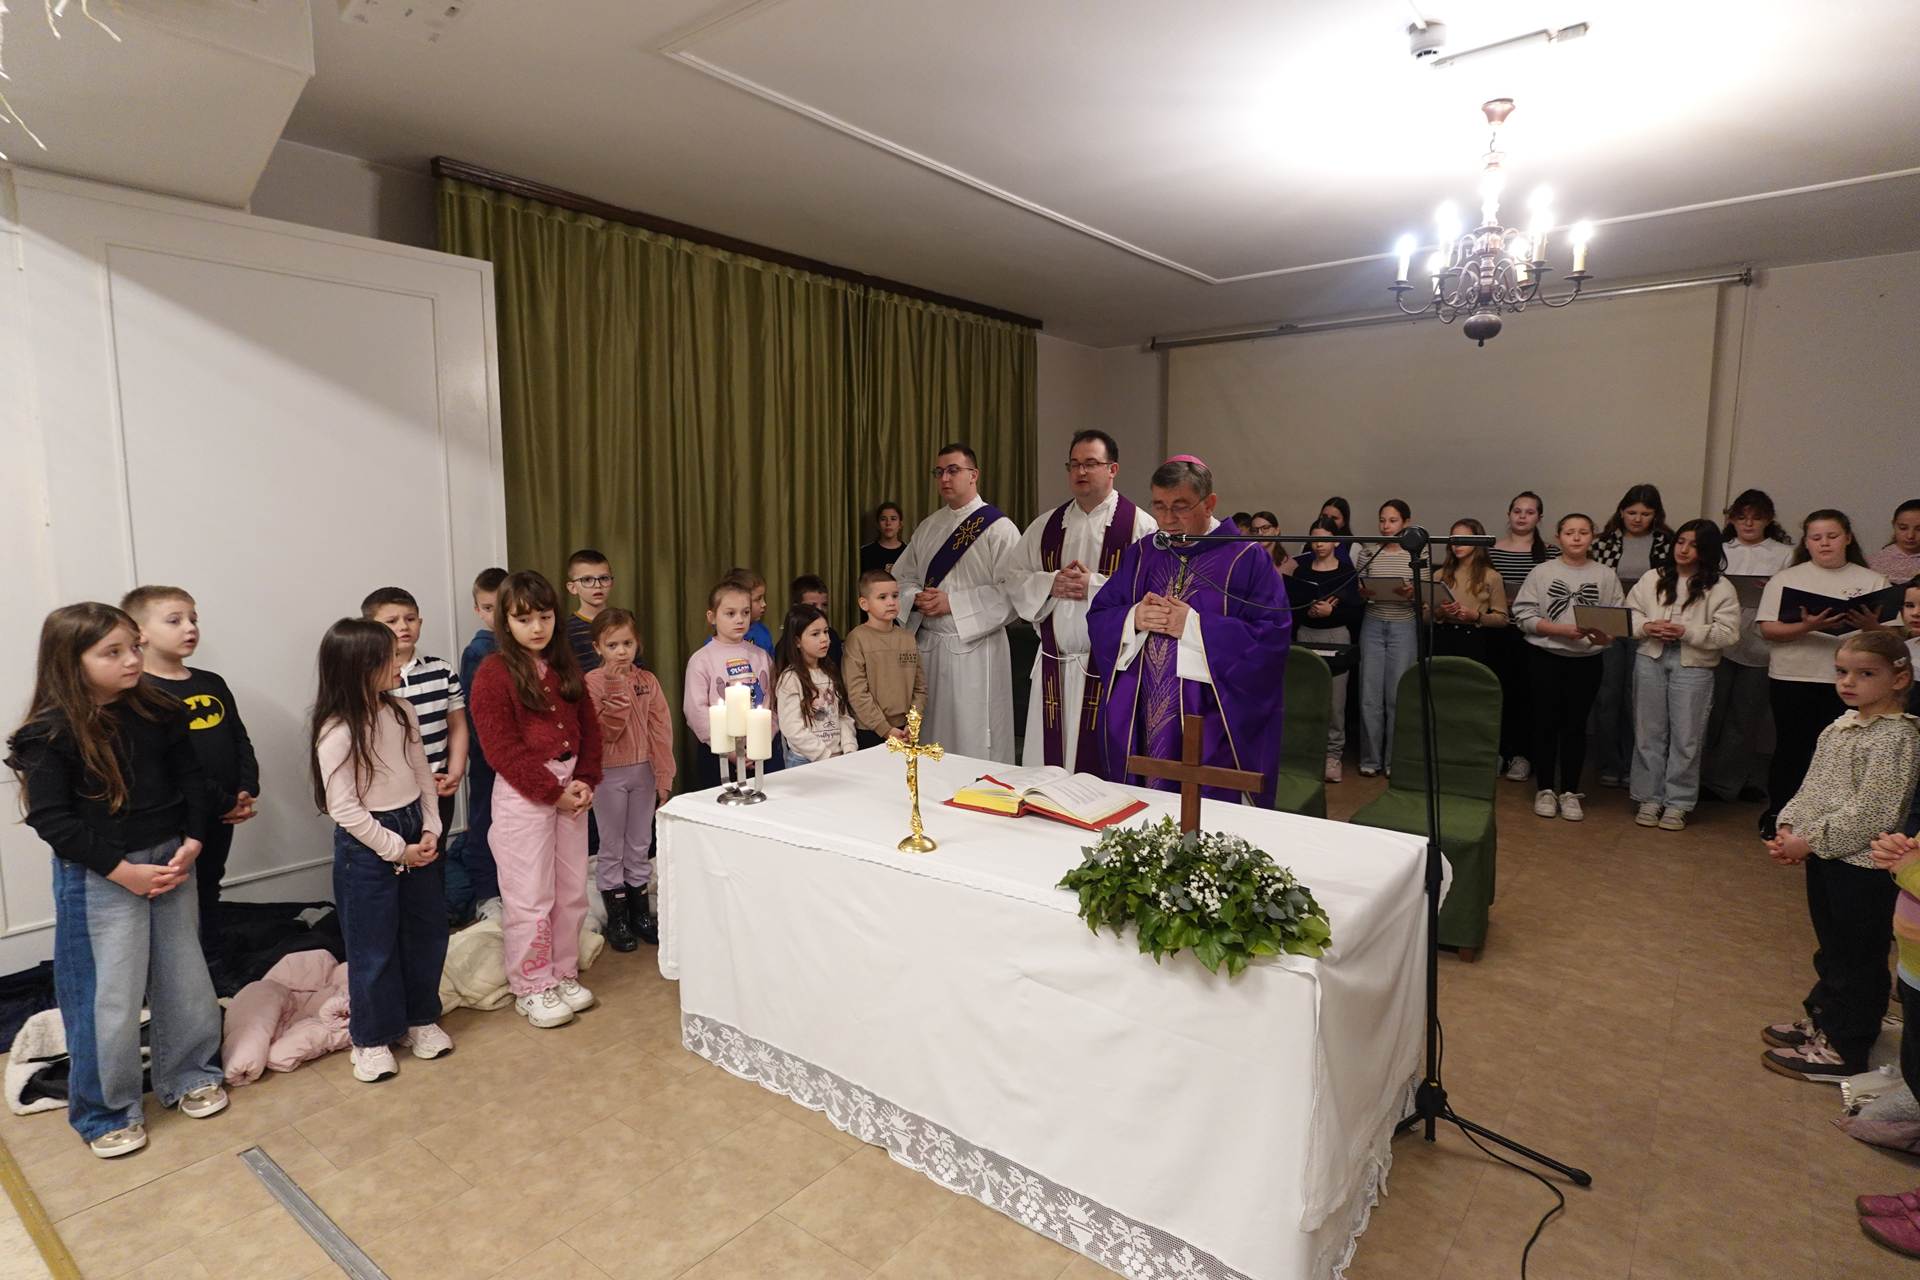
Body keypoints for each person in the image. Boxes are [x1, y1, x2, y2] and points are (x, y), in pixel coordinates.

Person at [4, 604, 227, 1158]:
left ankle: (190, 1073)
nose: (132, 660)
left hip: (171, 859)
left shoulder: (159, 710)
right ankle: (105, 1111)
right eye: (113, 652)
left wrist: (193, 840)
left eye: (133, 647)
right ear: (71, 661)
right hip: (101, 874)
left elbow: (191, 780)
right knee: (109, 996)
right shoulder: (48, 734)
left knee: (184, 977)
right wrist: (122, 871)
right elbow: (53, 820)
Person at [1760, 630, 1918, 1083]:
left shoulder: (1896, 738)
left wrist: (1809, 841)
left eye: (1865, 674)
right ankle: (1824, 1018)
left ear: (1898, 679)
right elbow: (1813, 787)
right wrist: (1789, 827)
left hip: (1863, 868)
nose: (1848, 682)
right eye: (1842, 672)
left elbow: (1873, 812)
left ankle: (1845, 1046)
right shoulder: (1841, 726)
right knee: (1832, 947)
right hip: (1828, 857)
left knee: (1857, 957)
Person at [1088, 456, 1291, 804]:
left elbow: (1272, 637)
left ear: (1209, 503)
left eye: (1180, 507)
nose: (1167, 519)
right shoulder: (1143, 553)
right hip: (1144, 714)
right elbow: (1101, 614)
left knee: (1203, 815)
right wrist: (1134, 618)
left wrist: (1196, 627)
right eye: (1159, 506)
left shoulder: (1247, 558)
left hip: (1210, 723)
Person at [309, 617, 451, 1083]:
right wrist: (397, 850)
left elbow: (423, 773)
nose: (398, 664)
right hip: (369, 844)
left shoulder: (401, 710)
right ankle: (370, 1038)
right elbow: (345, 809)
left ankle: (419, 1018)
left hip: (413, 826)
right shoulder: (337, 730)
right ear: (359, 666)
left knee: (426, 932)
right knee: (373, 945)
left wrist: (430, 828)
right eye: (388, 658)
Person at [468, 571, 603, 1031]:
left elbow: (589, 728)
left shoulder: (565, 665)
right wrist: (553, 792)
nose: (537, 627)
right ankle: (531, 984)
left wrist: (585, 779)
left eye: (544, 616)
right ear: (506, 622)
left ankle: (562, 971)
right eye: (524, 619)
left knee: (571, 889)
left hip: (571, 787)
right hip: (526, 793)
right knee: (529, 895)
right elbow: (501, 749)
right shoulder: (493, 673)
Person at [1005, 430, 1155, 771]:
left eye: (1090, 463)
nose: (1081, 472)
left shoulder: (1140, 527)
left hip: (1110, 670)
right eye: (1074, 464)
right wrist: (1050, 583)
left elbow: (1151, 592)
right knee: (1045, 769)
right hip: (1053, 665)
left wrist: (1094, 585)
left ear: (1113, 469)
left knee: (1100, 771)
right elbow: (1013, 578)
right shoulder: (1046, 525)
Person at [120, 585, 259, 949]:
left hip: (225, 809)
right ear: (140, 633)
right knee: (176, 891)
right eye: (174, 620)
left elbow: (238, 738)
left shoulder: (211, 682)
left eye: (193, 619)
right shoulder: (139, 693)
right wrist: (223, 801)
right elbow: (169, 765)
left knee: (210, 880)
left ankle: (211, 956)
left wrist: (246, 789)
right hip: (180, 812)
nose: (190, 628)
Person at [1756, 509, 1892, 836]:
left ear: (1848, 538)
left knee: (1841, 754)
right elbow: (1768, 629)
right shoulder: (1786, 579)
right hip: (1794, 676)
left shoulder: (1872, 580)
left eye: (1832, 536)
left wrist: (1870, 625)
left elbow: (1894, 637)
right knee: (1792, 748)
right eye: (1816, 538)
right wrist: (1807, 626)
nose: (1824, 543)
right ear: (1806, 542)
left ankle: (1828, 823)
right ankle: (1780, 815)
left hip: (1852, 682)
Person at [891, 442, 1021, 762]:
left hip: (976, 651)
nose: (945, 478)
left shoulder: (999, 529)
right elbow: (902, 578)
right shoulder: (929, 526)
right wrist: (915, 598)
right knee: (931, 735)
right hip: (929, 648)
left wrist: (953, 604)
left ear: (973, 475)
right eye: (939, 472)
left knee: (972, 736)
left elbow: (1014, 592)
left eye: (953, 470)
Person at [1625, 519, 1741, 831]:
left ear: (1708, 550)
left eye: (1694, 545)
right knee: (1648, 732)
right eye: (1680, 542)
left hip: (1694, 664)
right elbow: (1630, 613)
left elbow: (1729, 634)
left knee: (1687, 736)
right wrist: (1647, 627)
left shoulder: (1720, 586)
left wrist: (1686, 632)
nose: (1684, 550)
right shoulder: (1653, 577)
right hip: (1650, 657)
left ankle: (1678, 803)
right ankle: (1648, 797)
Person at [1511, 513, 1624, 821]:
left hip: (1586, 662)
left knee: (1576, 726)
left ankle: (1570, 791)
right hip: (1545, 658)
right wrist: (1559, 630)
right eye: (1570, 532)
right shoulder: (1542, 572)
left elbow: (1616, 618)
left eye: (1583, 532)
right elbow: (1523, 614)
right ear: (1558, 537)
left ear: (1592, 537)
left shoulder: (1605, 575)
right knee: (1545, 723)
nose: (1576, 537)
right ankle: (1545, 788)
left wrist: (1605, 636)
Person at [584, 608, 672, 951]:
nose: (621, 651)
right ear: (597, 647)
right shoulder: (592, 683)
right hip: (608, 776)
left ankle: (640, 913)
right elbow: (606, 731)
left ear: (637, 644)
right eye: (612, 645)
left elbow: (660, 729)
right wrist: (614, 689)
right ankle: (617, 918)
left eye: (627, 644)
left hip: (644, 773)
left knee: (640, 843)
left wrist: (664, 774)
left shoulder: (648, 681)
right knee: (611, 845)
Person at [1702, 491, 1796, 804]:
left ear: (1769, 520)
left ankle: (1726, 783)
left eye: (1756, 517)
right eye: (1741, 517)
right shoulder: (1720, 550)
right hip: (1719, 640)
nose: (1749, 523)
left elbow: (1791, 599)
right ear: (1731, 519)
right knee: (1710, 713)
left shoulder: (1784, 554)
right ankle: (1698, 777)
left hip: (1760, 644)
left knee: (1745, 717)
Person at [361, 588, 468, 838]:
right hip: (390, 796)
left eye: (410, 619)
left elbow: (458, 726)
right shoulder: (372, 679)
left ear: (420, 622)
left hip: (438, 784)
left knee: (435, 850)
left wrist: (455, 771)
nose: (403, 626)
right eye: (391, 621)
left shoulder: (441, 671)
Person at [1591, 485, 1676, 789]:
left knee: (1636, 698)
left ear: (1656, 515)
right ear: (1621, 512)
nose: (1638, 519)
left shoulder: (1667, 543)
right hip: (1611, 625)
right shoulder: (1603, 543)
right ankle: (1609, 762)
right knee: (1608, 695)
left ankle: (1633, 764)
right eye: (1632, 512)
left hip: (1647, 626)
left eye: (1645, 513)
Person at [1284, 521, 1363, 782]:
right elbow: (1292, 606)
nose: (1319, 544)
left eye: (1325, 539)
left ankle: (1333, 756)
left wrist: (1332, 611)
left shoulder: (1346, 572)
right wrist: (1306, 609)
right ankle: (1307, 754)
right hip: (1306, 633)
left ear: (1336, 541)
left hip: (1336, 635)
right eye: (1314, 539)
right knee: (1306, 698)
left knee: (1335, 702)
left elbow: (1356, 611)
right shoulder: (1302, 570)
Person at [1486, 491, 1557, 782]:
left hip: (1533, 634)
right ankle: (1497, 752)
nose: (1522, 516)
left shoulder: (1550, 553)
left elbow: (1554, 595)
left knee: (1528, 696)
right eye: (1517, 511)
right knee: (1496, 693)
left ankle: (1523, 756)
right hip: (1498, 632)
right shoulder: (1491, 550)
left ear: (1539, 517)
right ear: (1509, 514)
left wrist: (1524, 603)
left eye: (1529, 512)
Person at [684, 576, 774, 790]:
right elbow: (696, 711)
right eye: (730, 613)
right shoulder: (701, 659)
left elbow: (771, 704)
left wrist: (762, 740)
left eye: (745, 612)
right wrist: (731, 751)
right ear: (712, 617)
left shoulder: (761, 656)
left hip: (759, 750)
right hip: (718, 753)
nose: (740, 619)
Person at [1354, 500, 1418, 777]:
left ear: (1406, 522)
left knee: (1396, 696)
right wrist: (1363, 592)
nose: (1386, 526)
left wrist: (1412, 593)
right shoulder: (1368, 552)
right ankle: (1370, 760)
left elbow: (1425, 594)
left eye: (1392, 520)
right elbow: (1358, 589)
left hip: (1403, 625)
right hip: (1373, 623)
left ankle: (1393, 761)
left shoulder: (1416, 553)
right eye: (1382, 520)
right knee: (1369, 696)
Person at [456, 568, 507, 915]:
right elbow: (473, 712)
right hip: (489, 759)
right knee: (485, 821)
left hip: (522, 758)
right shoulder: (478, 651)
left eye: (501, 607)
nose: (495, 615)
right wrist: (495, 754)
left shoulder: (529, 646)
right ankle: (487, 896)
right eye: (488, 608)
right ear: (477, 610)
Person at [843, 569, 927, 749]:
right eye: (882, 597)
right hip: (870, 729)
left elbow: (919, 687)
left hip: (905, 729)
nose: (891, 602)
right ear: (864, 604)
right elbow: (857, 692)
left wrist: (913, 722)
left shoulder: (907, 638)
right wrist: (884, 729)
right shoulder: (857, 639)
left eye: (895, 596)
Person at [774, 604, 859, 766]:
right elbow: (792, 728)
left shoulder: (830, 672)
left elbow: (843, 715)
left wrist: (849, 748)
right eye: (815, 634)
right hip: (805, 760)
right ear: (797, 641)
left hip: (838, 756)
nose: (824, 639)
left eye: (826, 632)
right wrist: (825, 755)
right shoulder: (790, 678)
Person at [1430, 519, 1509, 666]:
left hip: (1473, 639)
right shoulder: (1439, 575)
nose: (1457, 544)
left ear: (1477, 541)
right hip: (1442, 636)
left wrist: (1476, 616)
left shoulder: (1491, 576)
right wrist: (1440, 612)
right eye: (1454, 540)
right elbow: (1423, 617)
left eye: (1464, 539)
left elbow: (1502, 620)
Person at [563, 548, 615, 674]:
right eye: (587, 580)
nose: (597, 585)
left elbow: (638, 669)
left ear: (612, 582)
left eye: (604, 578)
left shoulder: (623, 622)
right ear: (572, 588)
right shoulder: (566, 630)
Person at [790, 573, 844, 670]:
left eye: (824, 605)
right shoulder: (786, 643)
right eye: (812, 605)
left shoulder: (832, 636)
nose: (820, 610)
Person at [1868, 498, 1920, 582]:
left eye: (1919, 529)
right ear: (1894, 525)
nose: (1910, 536)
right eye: (1903, 528)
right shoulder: (1874, 562)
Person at [860, 502, 908, 579]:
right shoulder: (865, 552)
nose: (888, 523)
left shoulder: (909, 553)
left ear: (900, 524)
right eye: (883, 519)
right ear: (877, 525)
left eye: (893, 519)